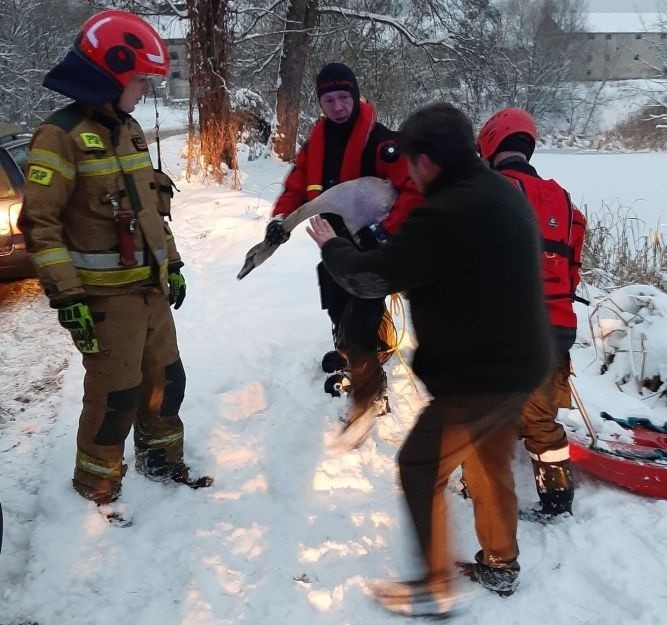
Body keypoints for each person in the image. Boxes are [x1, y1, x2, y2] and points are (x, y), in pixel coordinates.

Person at [306, 102, 553, 616]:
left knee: (418, 465)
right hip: (522, 366)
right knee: (488, 463)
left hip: (478, 379)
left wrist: (333, 245)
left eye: (413, 162)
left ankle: (433, 587)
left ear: (429, 160)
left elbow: (371, 278)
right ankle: (501, 561)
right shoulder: (498, 196)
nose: (410, 173)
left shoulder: (445, 213)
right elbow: (438, 261)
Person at [18, 10, 212, 517]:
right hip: (104, 301)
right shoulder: (57, 137)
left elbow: (149, 210)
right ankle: (96, 491)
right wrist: (67, 295)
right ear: (108, 76)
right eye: (139, 80)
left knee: (168, 382)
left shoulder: (129, 131)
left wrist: (170, 263)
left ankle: (161, 462)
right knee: (116, 397)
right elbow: (41, 227)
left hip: (149, 292)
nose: (145, 90)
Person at [266, 62, 421, 441]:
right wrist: (281, 218)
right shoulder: (315, 144)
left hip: (373, 247)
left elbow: (415, 189)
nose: (336, 106)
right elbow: (297, 186)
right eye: (328, 99)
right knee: (338, 305)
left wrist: (384, 232)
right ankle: (357, 356)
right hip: (334, 244)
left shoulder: (383, 142)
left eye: (343, 97)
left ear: (355, 95)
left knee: (359, 316)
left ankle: (373, 391)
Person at [477, 107, 586, 519]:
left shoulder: (490, 192)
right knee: (541, 419)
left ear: (490, 145)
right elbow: (572, 268)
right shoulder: (565, 200)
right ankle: (557, 501)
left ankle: (484, 493)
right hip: (557, 327)